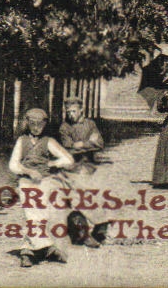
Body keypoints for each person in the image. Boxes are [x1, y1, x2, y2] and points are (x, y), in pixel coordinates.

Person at [7, 107, 75, 267]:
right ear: (27, 124)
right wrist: (28, 171)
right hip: (26, 182)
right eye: (33, 123)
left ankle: (28, 250)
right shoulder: (21, 141)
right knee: (32, 214)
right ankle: (48, 248)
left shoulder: (49, 142)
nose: (36, 127)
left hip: (44, 182)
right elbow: (13, 165)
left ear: (45, 125)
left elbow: (69, 160)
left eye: (40, 124)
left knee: (41, 216)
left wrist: (52, 163)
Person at [58, 96, 105, 167]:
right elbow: (68, 146)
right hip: (73, 163)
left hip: (91, 161)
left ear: (81, 110)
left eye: (74, 111)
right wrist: (90, 143)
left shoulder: (90, 124)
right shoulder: (64, 127)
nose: (71, 115)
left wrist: (81, 144)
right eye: (68, 112)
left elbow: (100, 144)